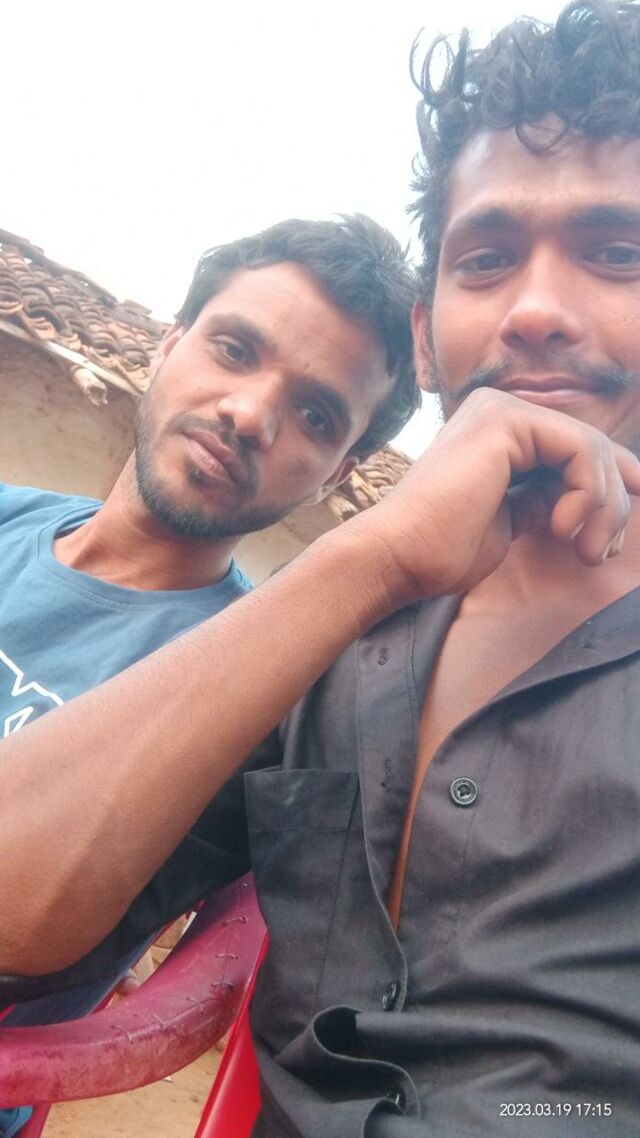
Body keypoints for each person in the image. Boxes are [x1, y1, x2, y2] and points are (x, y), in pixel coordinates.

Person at [2, 1, 640, 1134]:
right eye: (487, 259)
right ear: (429, 328)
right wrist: (371, 558)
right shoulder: (324, 640)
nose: (537, 310)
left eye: (616, 253)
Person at [0, 214, 417, 1136]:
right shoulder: (7, 517)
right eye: (234, 349)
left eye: (315, 415)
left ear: (335, 475)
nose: (250, 415)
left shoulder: (251, 706)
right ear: (169, 341)